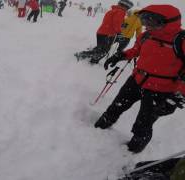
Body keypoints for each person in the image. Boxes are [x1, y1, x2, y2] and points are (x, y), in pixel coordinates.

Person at [94, 5, 185, 153]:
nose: (147, 25)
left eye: (152, 22)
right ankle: (103, 124)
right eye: (144, 21)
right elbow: (136, 50)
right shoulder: (147, 35)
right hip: (137, 80)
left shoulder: (180, 40)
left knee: (144, 122)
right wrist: (120, 55)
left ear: (168, 22)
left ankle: (133, 150)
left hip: (161, 89)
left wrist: (179, 95)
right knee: (117, 105)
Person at [75, 0, 133, 64]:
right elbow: (116, 23)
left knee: (100, 48)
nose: (127, 9)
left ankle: (93, 60)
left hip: (102, 32)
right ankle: (82, 55)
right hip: (107, 34)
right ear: (126, 6)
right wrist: (119, 32)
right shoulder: (121, 12)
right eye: (128, 8)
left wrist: (121, 25)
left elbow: (111, 21)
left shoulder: (112, 10)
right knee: (103, 51)